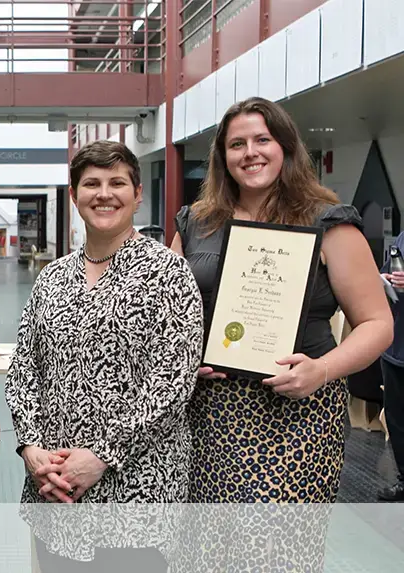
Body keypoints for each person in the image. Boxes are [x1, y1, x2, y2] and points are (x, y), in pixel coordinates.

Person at [171, 97, 393, 570]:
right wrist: (186, 360)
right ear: (222, 156)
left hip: (300, 414)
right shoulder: (196, 224)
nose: (250, 152)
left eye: (262, 140)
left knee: (276, 551)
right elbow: (168, 319)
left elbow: (377, 323)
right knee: (207, 548)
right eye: (237, 144)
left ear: (285, 147)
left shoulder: (328, 222)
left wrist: (323, 370)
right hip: (211, 412)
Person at [5, 140, 204, 572]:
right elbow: (25, 370)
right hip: (56, 491)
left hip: (137, 492)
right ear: (74, 195)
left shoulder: (167, 273)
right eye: (91, 183)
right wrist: (32, 448)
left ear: (137, 195)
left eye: (117, 183)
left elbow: (172, 383)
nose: (104, 193)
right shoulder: (52, 279)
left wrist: (101, 455)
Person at [379, 234, 404, 501]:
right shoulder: (403, 238)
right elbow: (384, 273)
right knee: (397, 423)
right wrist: (383, 280)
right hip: (396, 348)